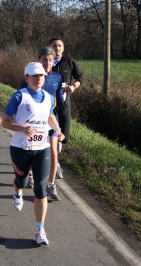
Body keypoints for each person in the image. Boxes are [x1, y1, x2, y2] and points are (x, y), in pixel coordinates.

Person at [1, 62, 65, 245]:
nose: (38, 78)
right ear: (26, 78)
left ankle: (39, 229)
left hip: (42, 147)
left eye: (41, 76)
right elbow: (5, 122)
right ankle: (17, 190)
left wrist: (57, 130)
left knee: (40, 188)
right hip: (20, 147)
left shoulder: (48, 97)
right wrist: (22, 128)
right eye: (34, 75)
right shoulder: (19, 97)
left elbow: (49, 115)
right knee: (22, 180)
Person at [19, 47, 65, 201]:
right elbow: (22, 100)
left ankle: (50, 184)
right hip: (34, 121)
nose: (47, 62)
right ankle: (30, 173)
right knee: (34, 149)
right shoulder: (30, 77)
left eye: (50, 60)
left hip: (50, 119)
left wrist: (60, 123)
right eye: (44, 59)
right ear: (38, 60)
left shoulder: (57, 77)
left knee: (53, 151)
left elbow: (59, 99)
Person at [50, 38, 83, 179]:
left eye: (59, 46)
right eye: (54, 46)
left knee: (63, 137)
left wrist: (74, 87)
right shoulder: (46, 61)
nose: (57, 48)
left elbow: (80, 76)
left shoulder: (69, 61)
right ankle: (55, 164)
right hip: (49, 105)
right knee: (52, 135)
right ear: (50, 47)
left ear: (63, 48)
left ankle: (54, 161)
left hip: (64, 103)